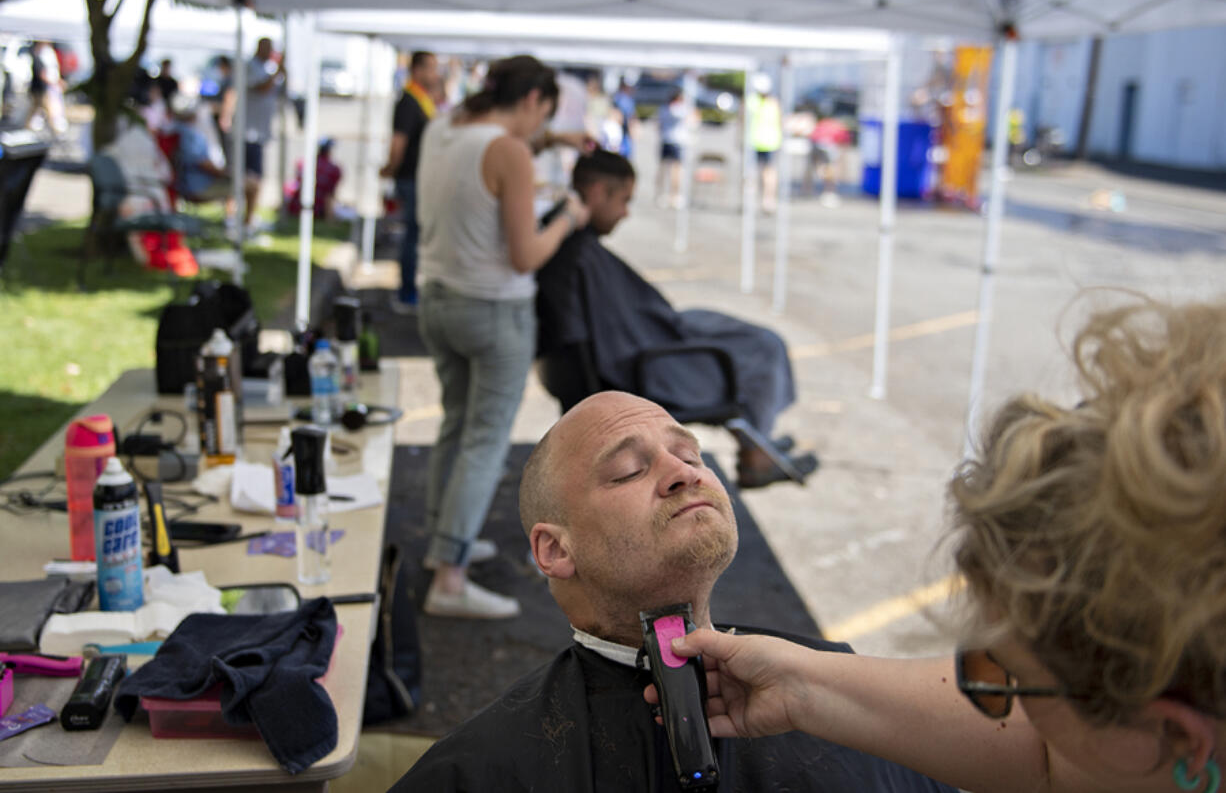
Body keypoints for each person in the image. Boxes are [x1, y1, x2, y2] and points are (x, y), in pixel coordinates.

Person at [656, 297, 1226, 793]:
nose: (990, 697)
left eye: (1005, 679)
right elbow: (1049, 757)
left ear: (1180, 737)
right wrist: (803, 685)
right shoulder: (1158, 744)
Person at [391, 389, 959, 792]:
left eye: (690, 455)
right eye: (628, 472)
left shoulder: (839, 686)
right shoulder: (475, 771)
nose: (684, 472)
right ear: (556, 551)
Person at [415, 55, 591, 619]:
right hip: (493, 310)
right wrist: (569, 217)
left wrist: (550, 139)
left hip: (438, 301)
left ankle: (444, 542)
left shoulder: (442, 129)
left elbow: (492, 155)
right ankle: (450, 577)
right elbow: (525, 255)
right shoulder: (508, 151)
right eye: (544, 116)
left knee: (456, 425)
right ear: (534, 100)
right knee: (484, 443)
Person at [537, 150, 818, 488]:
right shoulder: (578, 256)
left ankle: (757, 437)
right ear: (597, 192)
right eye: (624, 200)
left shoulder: (562, 240)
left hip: (648, 332)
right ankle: (756, 451)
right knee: (763, 346)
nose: (626, 212)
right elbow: (617, 341)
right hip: (648, 356)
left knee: (737, 334)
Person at [380, 50, 440, 313]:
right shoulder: (409, 101)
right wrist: (391, 168)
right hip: (411, 178)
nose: (435, 75)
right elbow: (398, 142)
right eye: (431, 69)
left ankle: (409, 291)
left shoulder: (422, 100)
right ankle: (407, 292)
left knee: (415, 237)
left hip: (419, 178)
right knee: (412, 237)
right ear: (417, 70)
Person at [243, 37, 285, 233]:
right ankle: (243, 219)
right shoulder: (251, 66)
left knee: (254, 178)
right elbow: (262, 87)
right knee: (249, 178)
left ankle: (249, 218)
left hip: (258, 132)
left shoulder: (266, 68)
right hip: (248, 132)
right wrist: (278, 70)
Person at [169, 95, 230, 203]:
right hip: (196, 187)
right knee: (250, 184)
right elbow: (202, 163)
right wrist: (226, 174)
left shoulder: (175, 130)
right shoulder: (188, 134)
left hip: (189, 185)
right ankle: (239, 219)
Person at [746, 73, 781, 213]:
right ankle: (767, 200)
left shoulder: (750, 101)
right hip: (768, 142)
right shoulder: (773, 102)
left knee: (755, 173)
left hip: (757, 141)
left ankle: (760, 200)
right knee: (767, 172)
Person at [286, 137, 342, 219]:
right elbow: (330, 195)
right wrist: (330, 219)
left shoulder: (303, 163)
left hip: (296, 208)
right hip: (317, 211)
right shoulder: (334, 169)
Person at [23, 41, 67, 135]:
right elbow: (41, 73)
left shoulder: (47, 53)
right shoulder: (37, 55)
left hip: (44, 87)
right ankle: (56, 129)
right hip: (40, 88)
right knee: (47, 108)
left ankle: (28, 128)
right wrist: (54, 82)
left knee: (38, 108)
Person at [655, 87, 688, 209]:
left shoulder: (664, 108)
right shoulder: (678, 109)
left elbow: (658, 124)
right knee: (675, 170)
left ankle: (661, 194)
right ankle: (673, 195)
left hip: (666, 139)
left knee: (664, 168)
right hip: (676, 141)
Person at [612, 78, 636, 159]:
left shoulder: (620, 98)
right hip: (621, 132)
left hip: (622, 133)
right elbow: (628, 118)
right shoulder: (623, 99)